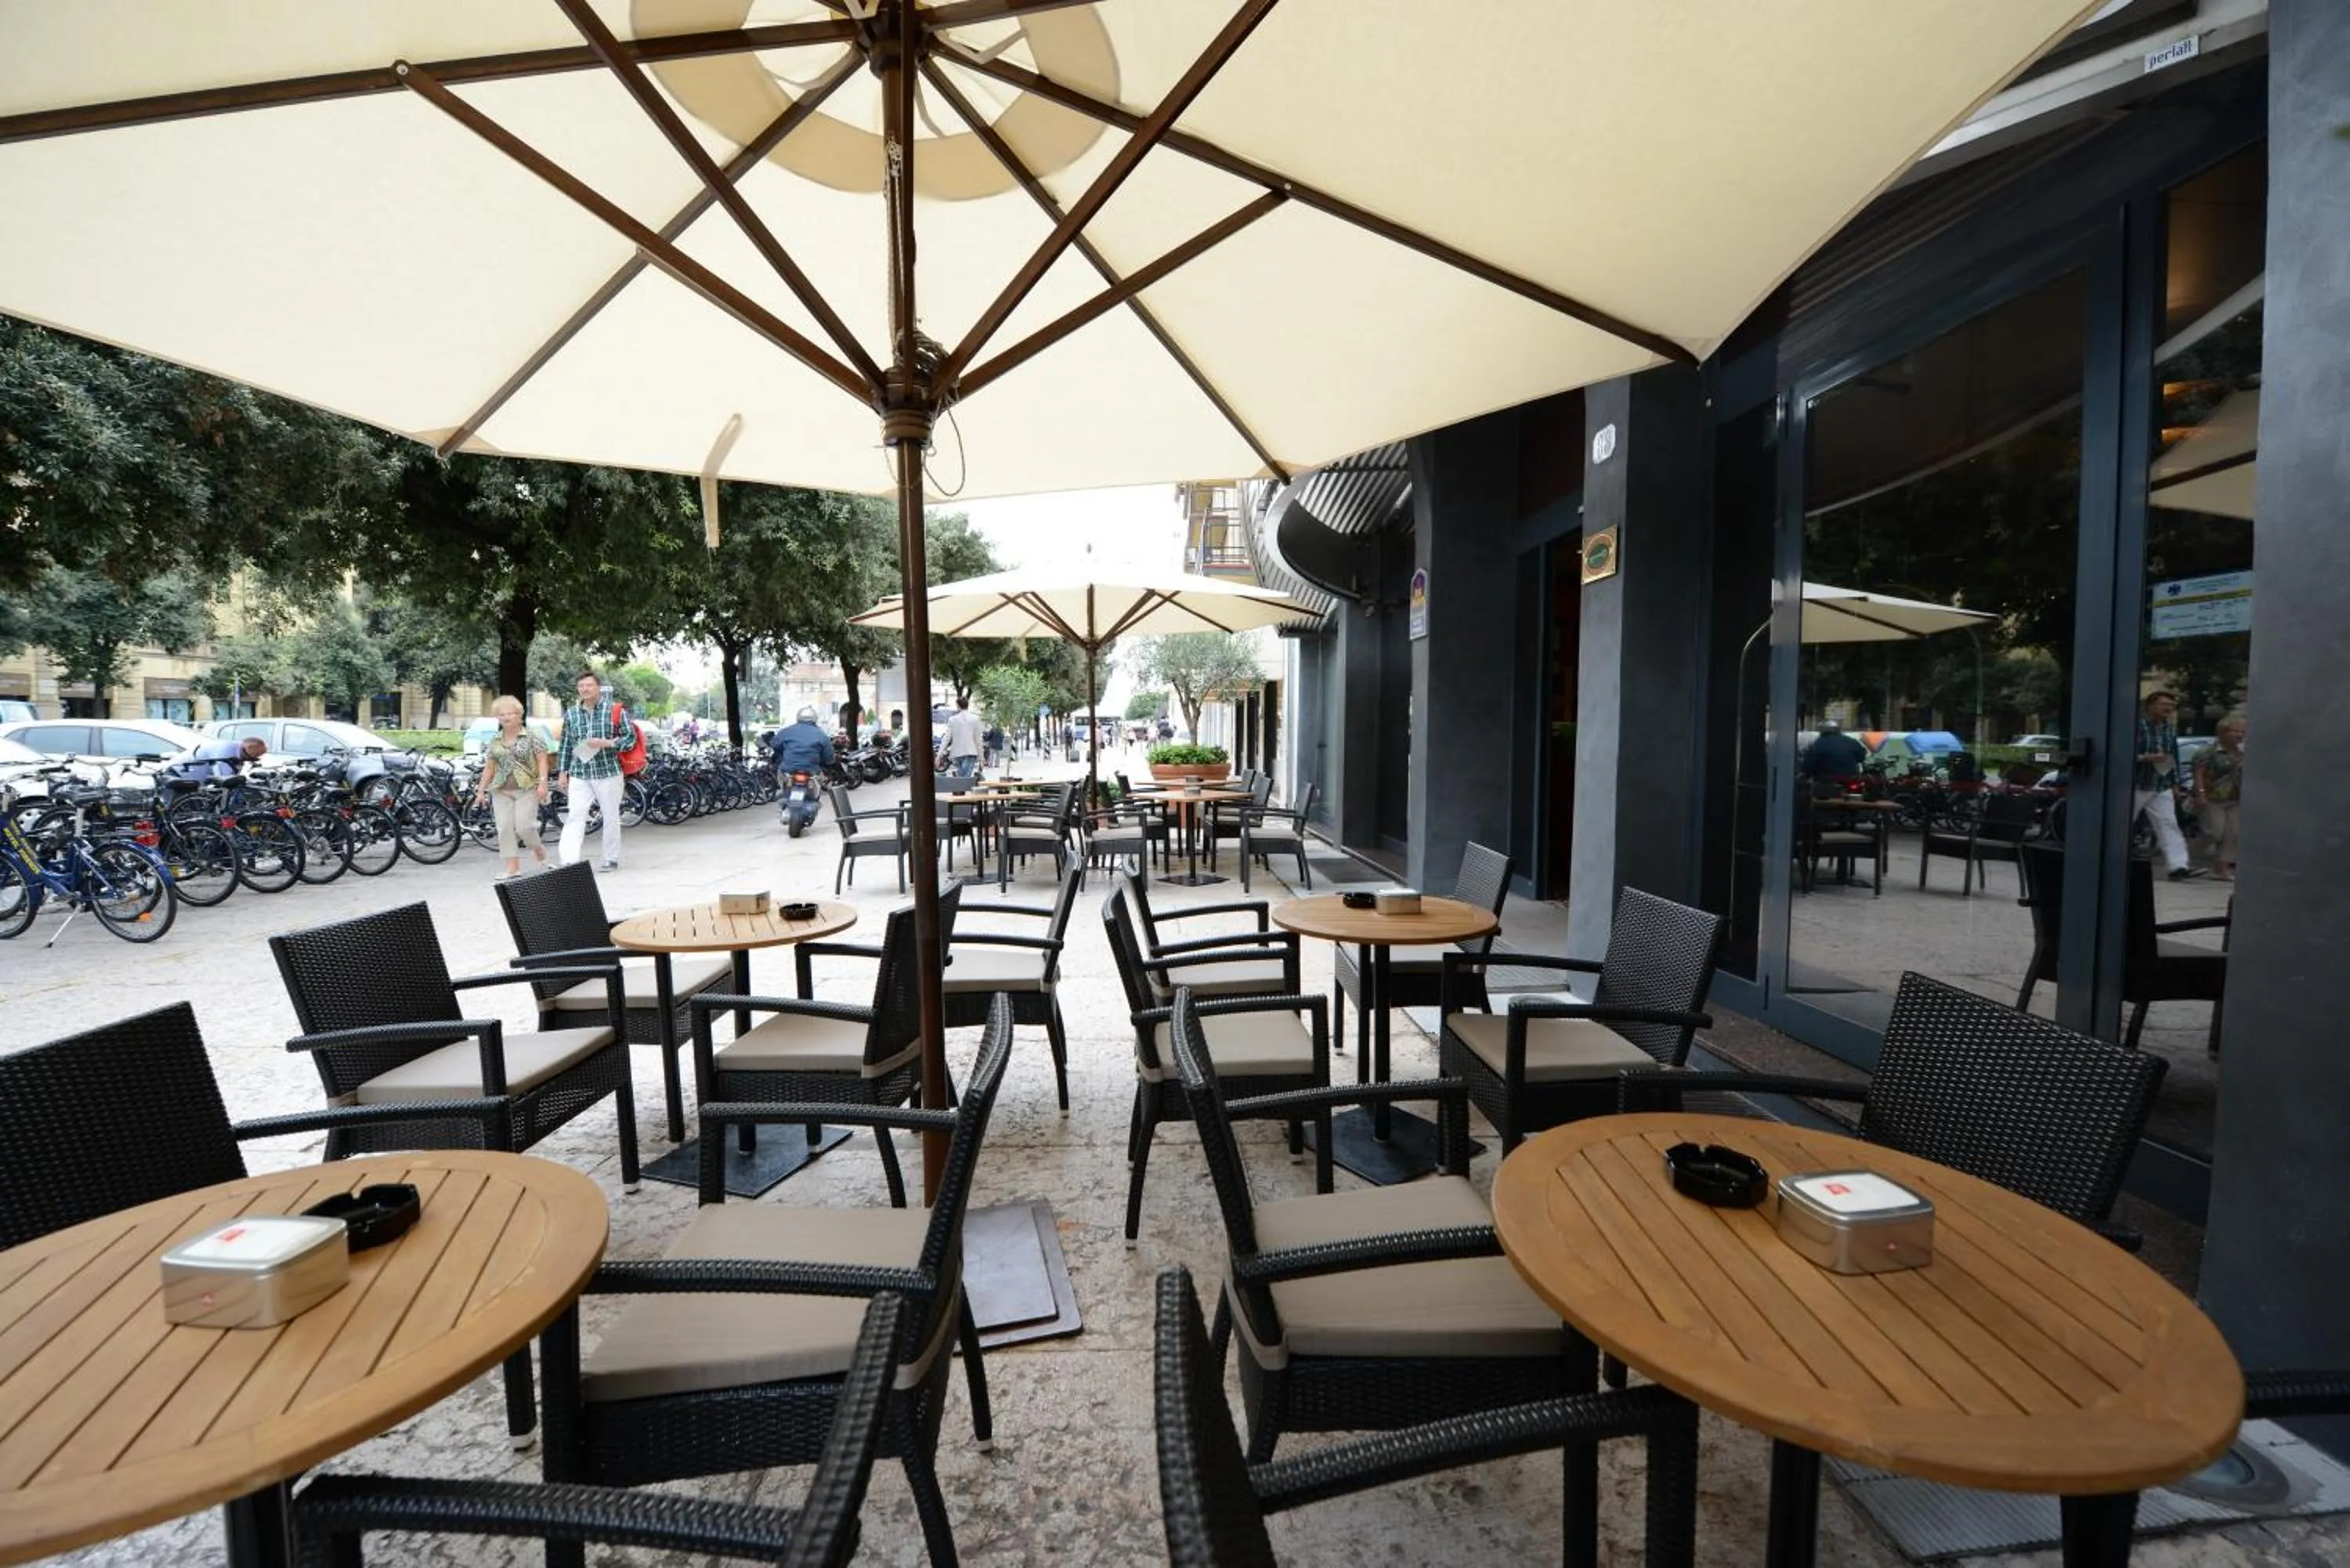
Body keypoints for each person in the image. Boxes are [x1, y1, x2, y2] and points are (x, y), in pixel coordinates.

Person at [555, 670, 631, 871]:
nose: (585, 689)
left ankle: (610, 858)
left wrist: (606, 743)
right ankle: (569, 861)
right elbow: (565, 744)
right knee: (575, 815)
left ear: (598, 688)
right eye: (581, 686)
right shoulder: (571, 713)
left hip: (608, 772)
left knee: (610, 815)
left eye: (589, 685)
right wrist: (563, 772)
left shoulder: (614, 711)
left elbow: (630, 738)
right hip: (580, 773)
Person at [474, 695, 550, 880]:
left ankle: (538, 849)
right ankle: (512, 867)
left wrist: (543, 782)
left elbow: (542, 760)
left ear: (519, 715)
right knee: (505, 828)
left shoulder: (532, 737)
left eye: (510, 714)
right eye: (501, 715)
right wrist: (481, 791)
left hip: (527, 788)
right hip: (500, 790)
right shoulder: (495, 741)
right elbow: (489, 768)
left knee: (524, 827)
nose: (506, 718)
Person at [2133, 690, 2200, 880]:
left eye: (2171, 706)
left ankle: (2178, 866)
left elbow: (2173, 756)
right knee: (2122, 824)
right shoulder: (2137, 726)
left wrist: (2175, 783)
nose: (2168, 709)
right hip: (2137, 783)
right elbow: (2122, 751)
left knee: (2168, 823)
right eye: (2164, 705)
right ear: (2150, 706)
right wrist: (2146, 758)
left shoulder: (2169, 728)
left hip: (2161, 783)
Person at [2193, 711, 2246, 881]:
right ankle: (2184, 858)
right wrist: (2200, 794)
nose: (2240, 735)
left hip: (2235, 797)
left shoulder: (2243, 752)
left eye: (2242, 732)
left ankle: (2221, 868)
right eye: (2235, 731)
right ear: (2223, 732)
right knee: (2214, 832)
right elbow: (2198, 773)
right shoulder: (2209, 751)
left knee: (2233, 834)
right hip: (2212, 797)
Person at [162, 735, 266, 805]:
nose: (255, 758)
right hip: (178, 776)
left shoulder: (238, 752)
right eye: (256, 755)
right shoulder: (226, 750)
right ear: (249, 747)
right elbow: (224, 778)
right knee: (179, 812)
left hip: (194, 780)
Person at [771, 705, 836, 775]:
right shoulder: (821, 734)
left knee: (780, 778)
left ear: (798, 717)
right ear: (815, 719)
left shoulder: (787, 731)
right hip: (812, 771)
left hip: (788, 770)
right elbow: (829, 757)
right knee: (823, 781)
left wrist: (783, 752)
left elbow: (774, 744)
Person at [1802, 720, 1868, 781]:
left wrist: (1805, 773)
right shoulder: (1852, 741)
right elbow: (1861, 756)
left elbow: (1809, 763)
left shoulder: (1818, 744)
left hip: (1825, 780)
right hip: (1850, 778)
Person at [945, 697, 984, 779]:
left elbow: (946, 738)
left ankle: (959, 786)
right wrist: (981, 758)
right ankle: (960, 786)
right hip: (971, 752)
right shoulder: (975, 719)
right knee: (965, 778)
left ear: (958, 706)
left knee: (962, 778)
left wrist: (939, 755)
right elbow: (978, 740)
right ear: (968, 706)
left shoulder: (952, 720)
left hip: (957, 753)